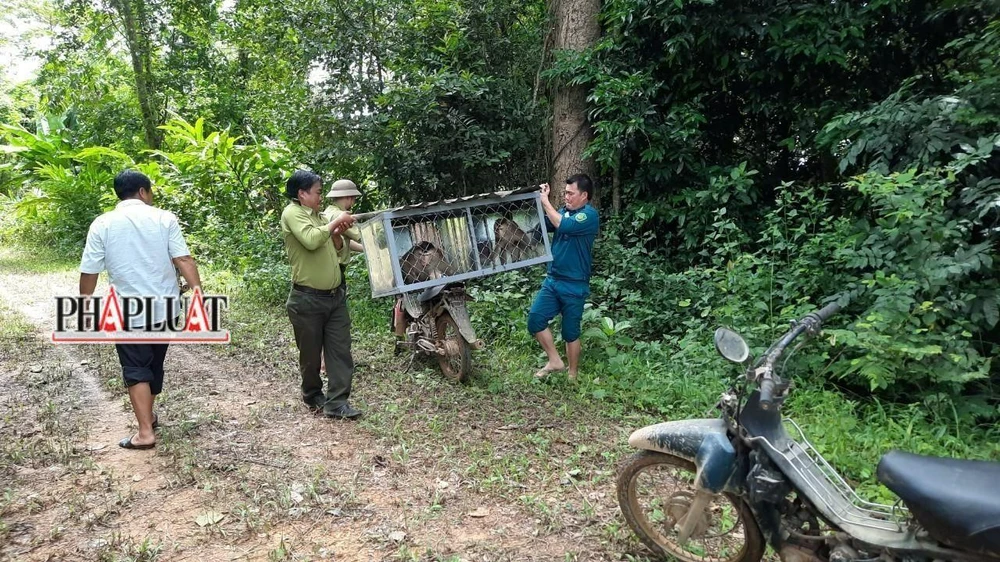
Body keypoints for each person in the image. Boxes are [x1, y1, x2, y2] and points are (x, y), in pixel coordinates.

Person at [79, 170, 202, 450]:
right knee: (153, 363)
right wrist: (199, 294)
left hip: (128, 311)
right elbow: (183, 258)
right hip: (166, 308)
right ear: (144, 192)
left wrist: (84, 302)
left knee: (136, 367)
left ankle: (145, 431)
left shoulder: (102, 223)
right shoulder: (164, 218)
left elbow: (90, 270)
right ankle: (149, 417)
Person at [281, 170, 361, 419]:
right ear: (302, 194)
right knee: (311, 354)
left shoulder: (321, 216)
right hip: (306, 298)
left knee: (340, 350)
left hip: (335, 297)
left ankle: (337, 402)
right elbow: (311, 240)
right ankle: (313, 393)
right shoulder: (292, 213)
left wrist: (337, 235)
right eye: (317, 192)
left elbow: (336, 250)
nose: (320, 196)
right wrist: (334, 224)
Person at [527, 174, 599, 381]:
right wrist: (537, 200)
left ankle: (572, 374)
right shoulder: (562, 213)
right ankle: (555, 361)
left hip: (575, 284)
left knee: (570, 332)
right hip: (553, 280)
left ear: (584, 195)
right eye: (565, 193)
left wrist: (546, 202)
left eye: (570, 193)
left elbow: (565, 226)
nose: (566, 197)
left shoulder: (588, 216)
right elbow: (543, 225)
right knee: (535, 319)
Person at [321, 179, 365, 283]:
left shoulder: (327, 212)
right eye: (354, 199)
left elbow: (346, 240)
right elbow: (361, 236)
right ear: (349, 198)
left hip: (326, 266)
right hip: (336, 268)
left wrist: (365, 250)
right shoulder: (341, 216)